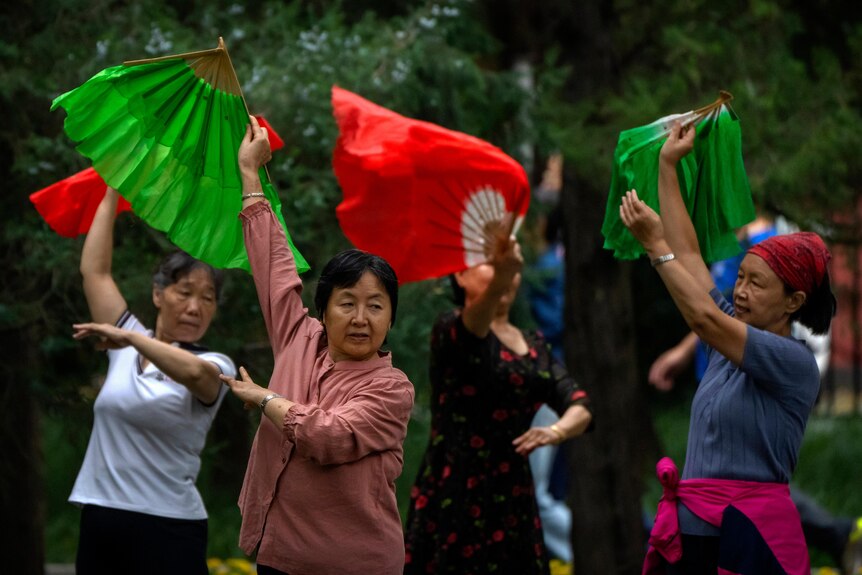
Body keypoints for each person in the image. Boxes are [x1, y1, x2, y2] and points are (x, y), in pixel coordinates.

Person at [622, 122, 836, 574]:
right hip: (697, 532)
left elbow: (701, 315)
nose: (740, 291)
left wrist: (654, 247)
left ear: (794, 301)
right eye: (740, 277)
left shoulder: (792, 361)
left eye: (756, 284)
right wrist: (667, 165)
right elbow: (692, 259)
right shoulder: (729, 340)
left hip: (749, 538)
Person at [218, 116, 414, 575]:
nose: (361, 318)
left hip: (353, 565)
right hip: (278, 556)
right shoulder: (298, 337)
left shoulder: (392, 390)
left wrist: (266, 399)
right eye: (347, 303)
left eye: (376, 306)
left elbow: (327, 436)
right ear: (323, 310)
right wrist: (250, 174)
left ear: (391, 318)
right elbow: (273, 268)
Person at [403, 226, 593, 575]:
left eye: (506, 266)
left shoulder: (533, 344)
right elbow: (474, 335)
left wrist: (556, 431)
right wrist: (504, 269)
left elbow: (579, 403)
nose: (505, 272)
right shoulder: (451, 330)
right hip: (455, 490)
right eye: (488, 264)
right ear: (460, 275)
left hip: (513, 496)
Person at [70, 187, 236, 575]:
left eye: (208, 298)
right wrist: (113, 186)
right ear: (158, 295)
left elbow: (196, 375)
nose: (195, 307)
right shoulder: (126, 346)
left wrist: (129, 336)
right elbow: (94, 272)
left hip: (170, 526)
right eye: (184, 293)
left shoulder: (213, 362)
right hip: (102, 514)